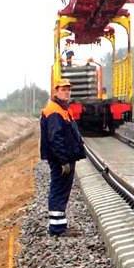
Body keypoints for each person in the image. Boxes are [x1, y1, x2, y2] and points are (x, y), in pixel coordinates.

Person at [40, 79, 87, 237]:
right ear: (56, 91)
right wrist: (63, 161)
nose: (66, 91)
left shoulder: (63, 108)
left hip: (65, 158)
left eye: (68, 89)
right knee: (59, 190)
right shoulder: (54, 110)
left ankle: (60, 225)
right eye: (63, 89)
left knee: (62, 190)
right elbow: (55, 138)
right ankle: (57, 228)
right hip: (60, 160)